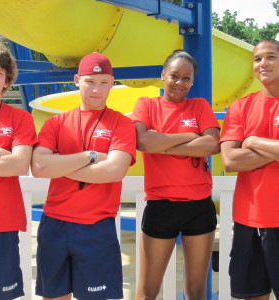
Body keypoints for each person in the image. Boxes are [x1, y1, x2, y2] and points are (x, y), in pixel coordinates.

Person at [31, 52, 136, 300]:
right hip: (55, 224)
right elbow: (39, 168)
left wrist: (60, 165)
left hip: (97, 227)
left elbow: (114, 171)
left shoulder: (121, 124)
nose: (96, 90)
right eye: (90, 81)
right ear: (77, 80)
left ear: (112, 83)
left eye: (103, 83)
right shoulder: (55, 123)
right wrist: (90, 156)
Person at [130, 50, 220, 300]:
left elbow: (212, 144)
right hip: (161, 205)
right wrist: (190, 137)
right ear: (162, 76)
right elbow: (144, 142)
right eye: (174, 76)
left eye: (186, 78)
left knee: (196, 291)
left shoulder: (199, 105)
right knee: (147, 291)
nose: (180, 83)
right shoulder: (147, 105)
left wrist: (165, 146)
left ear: (192, 81)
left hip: (199, 206)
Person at [220, 38, 279, 300]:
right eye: (257, 59)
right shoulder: (240, 107)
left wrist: (253, 141)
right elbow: (230, 160)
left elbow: (242, 154)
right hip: (248, 221)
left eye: (271, 57)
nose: (263, 63)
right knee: (252, 295)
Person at [0, 44, 37, 300]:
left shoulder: (20, 118)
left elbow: (19, 165)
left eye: (0, 73)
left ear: (7, 81)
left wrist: (8, 159)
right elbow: (8, 161)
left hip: (0, 223)